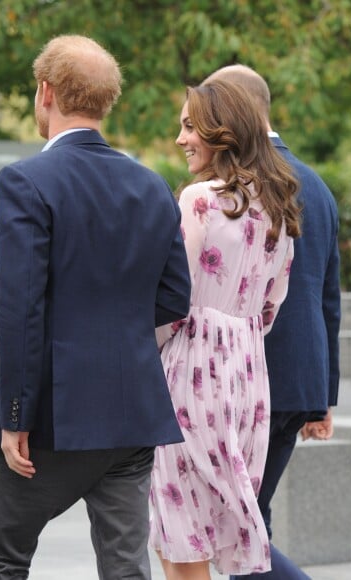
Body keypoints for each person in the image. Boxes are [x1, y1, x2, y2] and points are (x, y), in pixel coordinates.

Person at [0, 35, 192, 580]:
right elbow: (174, 297)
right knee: (125, 567)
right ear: (106, 101)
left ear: (44, 92)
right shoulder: (152, 184)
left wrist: (15, 415)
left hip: (53, 416)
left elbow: (20, 307)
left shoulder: (25, 180)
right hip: (134, 412)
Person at [149, 80, 302, 580]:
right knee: (207, 529)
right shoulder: (277, 209)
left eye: (191, 126)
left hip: (190, 373)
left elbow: (171, 302)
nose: (180, 138)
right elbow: (270, 309)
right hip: (245, 377)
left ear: (223, 132)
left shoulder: (199, 200)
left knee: (180, 535)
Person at [205, 65, 341, 580]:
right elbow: (329, 298)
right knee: (251, 521)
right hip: (299, 378)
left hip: (249, 376)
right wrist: (323, 396)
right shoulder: (318, 185)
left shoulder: (240, 185)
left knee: (241, 530)